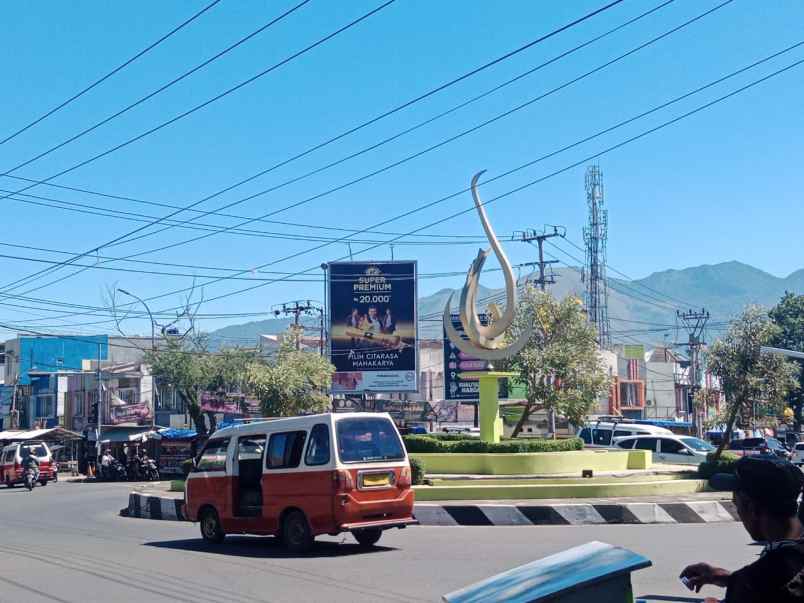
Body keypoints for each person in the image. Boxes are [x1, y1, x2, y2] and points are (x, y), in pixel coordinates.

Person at [681, 455, 804, 602]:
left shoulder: (751, 582)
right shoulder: (789, 557)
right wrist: (731, 579)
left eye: (736, 505)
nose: (738, 513)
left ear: (752, 509)